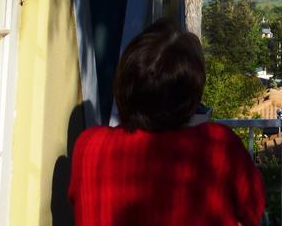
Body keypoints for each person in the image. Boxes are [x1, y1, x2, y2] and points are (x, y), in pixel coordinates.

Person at [69, 19, 266, 225]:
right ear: (191, 93)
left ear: (124, 82)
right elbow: (253, 207)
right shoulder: (217, 145)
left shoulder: (90, 146)